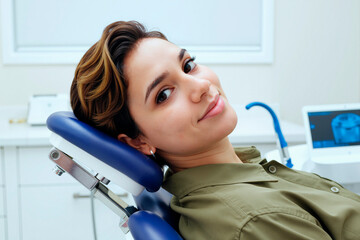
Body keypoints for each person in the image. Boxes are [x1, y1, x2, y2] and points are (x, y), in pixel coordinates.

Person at [70, 21, 360, 240]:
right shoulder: (254, 221)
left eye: (188, 65)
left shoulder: (246, 177)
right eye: (163, 94)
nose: (200, 86)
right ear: (137, 141)